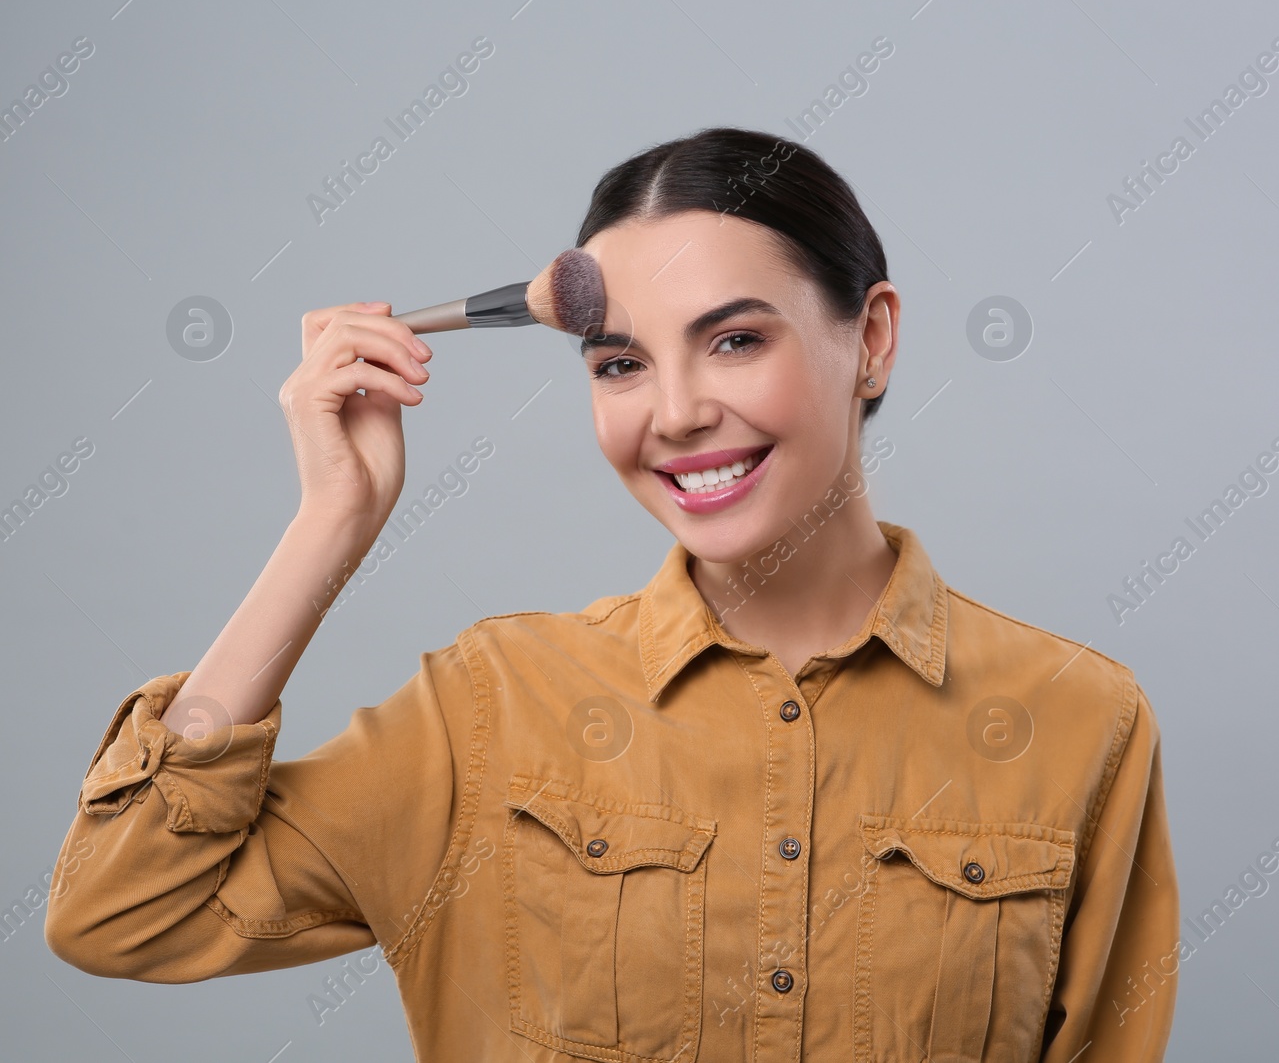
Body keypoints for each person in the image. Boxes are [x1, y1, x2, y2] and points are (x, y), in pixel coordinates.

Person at [44, 126, 1179, 1061]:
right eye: (620, 363)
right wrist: (327, 526)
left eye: (734, 339)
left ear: (870, 339)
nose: (675, 411)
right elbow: (122, 905)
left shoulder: (1080, 718)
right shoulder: (489, 709)